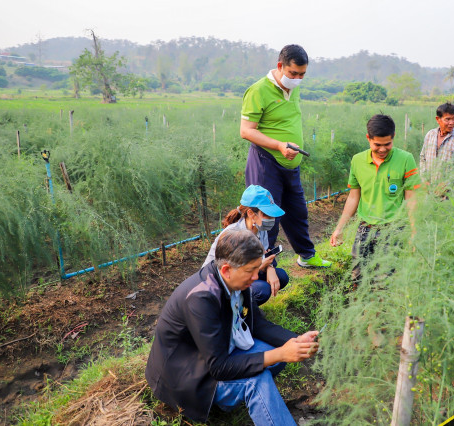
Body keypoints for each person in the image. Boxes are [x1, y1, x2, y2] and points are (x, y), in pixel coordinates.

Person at [146, 229, 319, 424]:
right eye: (251, 270)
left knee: (276, 356)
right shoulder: (201, 298)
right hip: (187, 375)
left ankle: (236, 399)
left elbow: (257, 324)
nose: (256, 277)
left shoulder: (237, 282)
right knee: (258, 378)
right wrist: (281, 353)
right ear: (227, 269)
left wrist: (295, 341)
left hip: (215, 353)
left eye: (257, 268)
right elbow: (218, 367)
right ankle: (234, 396)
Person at [240, 44, 330, 268]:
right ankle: (262, 268)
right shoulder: (258, 90)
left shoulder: (294, 88)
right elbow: (246, 131)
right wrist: (279, 145)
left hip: (290, 164)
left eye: (302, 74)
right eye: (293, 73)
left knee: (298, 211)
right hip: (265, 163)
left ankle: (307, 256)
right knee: (266, 219)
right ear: (280, 66)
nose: (298, 79)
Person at [330, 114, 421, 275]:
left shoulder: (406, 159)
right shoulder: (357, 161)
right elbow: (353, 197)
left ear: (393, 137)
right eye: (377, 144)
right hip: (365, 229)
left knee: (385, 279)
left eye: (387, 144)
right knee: (358, 275)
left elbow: (411, 198)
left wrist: (415, 231)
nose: (382, 149)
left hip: (394, 230)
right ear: (368, 138)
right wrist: (340, 228)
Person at [202, 185, 289, 305]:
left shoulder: (260, 229)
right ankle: (235, 315)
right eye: (267, 214)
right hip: (218, 285)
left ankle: (246, 308)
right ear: (251, 214)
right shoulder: (234, 235)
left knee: (281, 276)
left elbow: (262, 254)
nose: (271, 219)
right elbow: (230, 274)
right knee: (261, 290)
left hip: (243, 273)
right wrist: (259, 266)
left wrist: (270, 268)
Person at [419, 102, 454, 196]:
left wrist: (447, 183)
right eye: (447, 119)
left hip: (451, 194)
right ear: (438, 119)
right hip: (430, 192)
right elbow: (423, 158)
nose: (452, 122)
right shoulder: (430, 135)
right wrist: (424, 179)